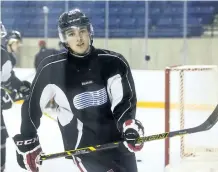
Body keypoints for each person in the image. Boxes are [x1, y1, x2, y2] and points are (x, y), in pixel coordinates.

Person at [13, 8, 144, 172]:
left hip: (118, 143)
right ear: (64, 38)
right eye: (71, 33)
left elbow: (123, 102)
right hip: (83, 150)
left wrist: (129, 126)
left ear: (90, 32)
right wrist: (28, 138)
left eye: (82, 31)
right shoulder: (52, 69)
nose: (79, 37)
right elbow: (32, 106)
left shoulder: (113, 63)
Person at [0, 22, 30, 172]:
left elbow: (7, 79)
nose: (18, 46)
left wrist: (20, 87)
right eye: (16, 43)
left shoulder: (4, 55)